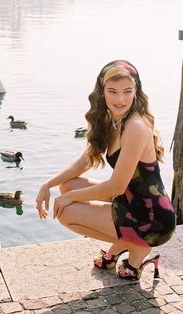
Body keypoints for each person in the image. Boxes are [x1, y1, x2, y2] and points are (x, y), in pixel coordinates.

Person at [36, 60, 176, 281]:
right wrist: (48, 185)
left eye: (127, 92)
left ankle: (137, 248)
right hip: (130, 201)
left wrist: (68, 199)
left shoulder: (136, 127)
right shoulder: (112, 120)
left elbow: (116, 186)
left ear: (136, 92)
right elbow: (84, 162)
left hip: (152, 218)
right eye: (113, 92)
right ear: (102, 92)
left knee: (67, 212)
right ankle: (125, 243)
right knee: (67, 184)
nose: (120, 99)